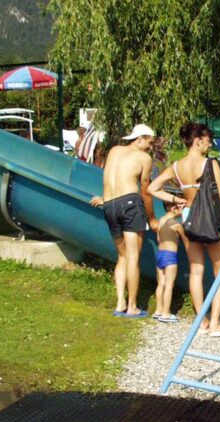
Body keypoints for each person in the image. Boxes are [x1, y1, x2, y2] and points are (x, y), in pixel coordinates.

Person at [147, 123, 220, 337]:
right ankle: (214, 323)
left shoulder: (176, 166)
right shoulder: (209, 163)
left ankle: (201, 321)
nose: (209, 143)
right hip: (211, 219)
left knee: (196, 270)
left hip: (189, 218)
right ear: (198, 140)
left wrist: (177, 199)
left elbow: (152, 188)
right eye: (207, 139)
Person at [89, 124, 159, 318]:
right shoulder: (144, 158)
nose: (150, 148)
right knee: (133, 256)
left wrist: (106, 199)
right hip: (130, 204)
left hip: (110, 205)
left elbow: (110, 178)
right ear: (139, 139)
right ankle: (133, 306)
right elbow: (145, 191)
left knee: (122, 256)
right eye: (149, 143)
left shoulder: (114, 151)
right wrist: (152, 218)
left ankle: (120, 303)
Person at [153, 201, 188, 324]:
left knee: (161, 283)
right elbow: (186, 239)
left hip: (160, 254)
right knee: (169, 284)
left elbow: (158, 238)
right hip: (170, 256)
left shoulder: (161, 220)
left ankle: (158, 311)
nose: (182, 210)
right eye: (181, 208)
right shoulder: (176, 225)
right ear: (173, 208)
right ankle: (166, 313)